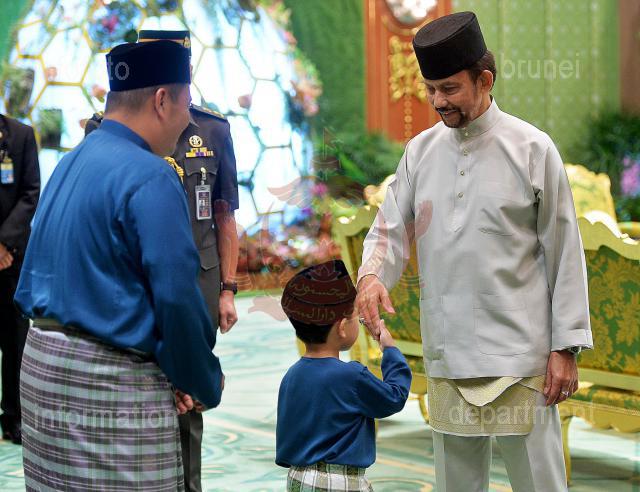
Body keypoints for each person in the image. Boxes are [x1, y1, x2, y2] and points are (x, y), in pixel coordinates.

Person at [356, 11, 593, 492]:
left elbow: (565, 252)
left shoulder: (532, 149)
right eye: (431, 89)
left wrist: (565, 347)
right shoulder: (420, 152)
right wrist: (372, 275)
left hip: (522, 357)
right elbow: (389, 227)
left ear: (484, 80)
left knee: (541, 484)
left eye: (449, 88)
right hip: (448, 350)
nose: (438, 101)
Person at [15, 40, 224, 490]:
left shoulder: (70, 163)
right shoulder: (151, 175)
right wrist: (202, 379)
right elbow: (176, 298)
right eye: (186, 104)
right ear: (162, 101)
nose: (189, 121)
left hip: (42, 373)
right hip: (108, 384)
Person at [84, 29, 241, 492]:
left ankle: (188, 484)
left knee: (188, 399)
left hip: (197, 281)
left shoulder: (212, 129)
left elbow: (224, 214)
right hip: (135, 283)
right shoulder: (106, 131)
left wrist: (228, 288)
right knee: (138, 386)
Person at [276, 259, 412, 491]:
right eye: (356, 317)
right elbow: (394, 397)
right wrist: (390, 351)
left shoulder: (292, 375)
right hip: (339, 482)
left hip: (298, 478)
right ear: (341, 327)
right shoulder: (351, 376)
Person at [0, 113, 40, 444]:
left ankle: (14, 416)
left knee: (15, 338)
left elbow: (30, 192)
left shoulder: (20, 134)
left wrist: (3, 243)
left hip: (11, 257)